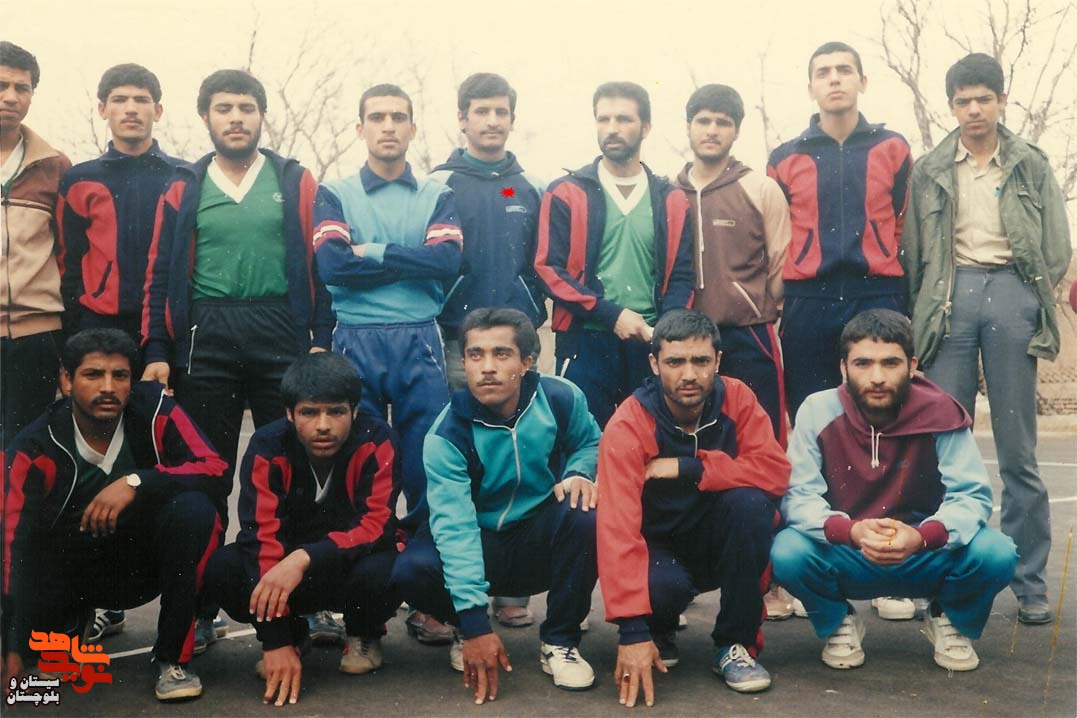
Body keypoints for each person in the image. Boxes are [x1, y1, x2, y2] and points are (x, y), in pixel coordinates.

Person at [141, 68, 335, 646]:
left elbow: (321, 266)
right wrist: (157, 350)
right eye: (224, 108)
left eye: (246, 108)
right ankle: (201, 609)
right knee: (207, 477)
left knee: (292, 471)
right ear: (205, 116)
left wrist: (320, 335)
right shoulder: (183, 185)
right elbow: (158, 275)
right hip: (207, 338)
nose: (236, 118)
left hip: (280, 331)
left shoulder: (294, 180)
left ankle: (308, 600)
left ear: (261, 116)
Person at [902, 53, 1072, 626]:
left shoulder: (1029, 162)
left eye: (983, 99)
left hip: (1011, 290)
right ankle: (939, 578)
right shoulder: (930, 168)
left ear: (1001, 100)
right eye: (963, 101)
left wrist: (1027, 295)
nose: (973, 109)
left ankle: (1029, 583)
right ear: (951, 106)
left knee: (1018, 448)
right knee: (941, 441)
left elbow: (1055, 246)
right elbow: (915, 253)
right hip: (950, 295)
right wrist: (925, 310)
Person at [771, 309, 1017, 672]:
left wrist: (922, 536)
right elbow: (797, 496)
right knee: (787, 551)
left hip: (924, 552)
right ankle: (838, 620)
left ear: (912, 366)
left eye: (890, 363)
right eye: (863, 363)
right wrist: (851, 531)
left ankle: (948, 615)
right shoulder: (818, 410)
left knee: (997, 552)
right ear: (843, 368)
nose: (877, 377)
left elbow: (972, 496)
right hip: (850, 550)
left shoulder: (940, 411)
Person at [1, 329, 227, 701]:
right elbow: (13, 543)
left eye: (119, 375)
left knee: (195, 511)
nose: (108, 387)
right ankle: (68, 623)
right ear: (66, 380)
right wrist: (12, 643)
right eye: (93, 374)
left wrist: (137, 481)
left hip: (146, 563)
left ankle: (173, 658)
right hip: (75, 567)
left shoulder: (154, 409)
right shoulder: (35, 444)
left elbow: (214, 468)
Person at [313, 83, 462, 643]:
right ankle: (363, 614)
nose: (389, 126)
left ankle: (428, 602)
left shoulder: (437, 193)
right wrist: (409, 260)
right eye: (377, 117)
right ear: (360, 128)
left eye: (399, 117)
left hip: (419, 338)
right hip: (356, 339)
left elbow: (446, 261)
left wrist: (371, 251)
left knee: (428, 469)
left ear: (413, 128)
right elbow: (333, 266)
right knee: (362, 472)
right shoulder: (335, 191)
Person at [392, 308, 602, 702]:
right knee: (411, 569)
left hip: (535, 538)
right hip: (479, 540)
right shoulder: (445, 435)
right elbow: (456, 529)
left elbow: (589, 441)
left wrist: (579, 472)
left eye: (501, 354)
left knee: (585, 511)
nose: (487, 367)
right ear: (465, 361)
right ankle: (461, 627)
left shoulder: (560, 397)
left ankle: (560, 641)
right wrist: (475, 625)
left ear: (526, 362)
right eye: (476, 355)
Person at [597, 309, 790, 706]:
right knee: (661, 587)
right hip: (657, 550)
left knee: (752, 505)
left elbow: (775, 473)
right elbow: (617, 527)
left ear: (718, 361)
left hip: (715, 542)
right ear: (654, 364)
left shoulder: (737, 397)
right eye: (675, 362)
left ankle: (736, 644)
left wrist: (692, 468)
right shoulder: (629, 422)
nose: (689, 374)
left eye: (700, 361)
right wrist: (632, 631)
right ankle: (657, 628)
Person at [203, 352, 402, 707]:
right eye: (309, 412)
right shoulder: (268, 445)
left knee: (389, 565)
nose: (323, 425)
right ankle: (293, 636)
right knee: (225, 567)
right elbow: (261, 536)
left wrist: (305, 557)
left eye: (336, 412)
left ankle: (364, 632)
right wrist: (275, 640)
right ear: (289, 413)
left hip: (346, 567)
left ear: (355, 411)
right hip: (289, 576)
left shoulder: (377, 438)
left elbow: (376, 525)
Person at [429, 72, 546, 629]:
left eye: (501, 111)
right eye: (481, 111)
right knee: (463, 457)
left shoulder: (530, 187)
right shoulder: (440, 184)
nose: (492, 121)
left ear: (512, 119)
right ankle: (452, 595)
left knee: (519, 455)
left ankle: (512, 587)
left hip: (517, 343)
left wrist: (533, 309)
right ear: (462, 118)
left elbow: (542, 261)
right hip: (460, 340)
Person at [535, 81, 694, 428]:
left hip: (650, 342)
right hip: (586, 340)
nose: (612, 128)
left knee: (651, 442)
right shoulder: (566, 192)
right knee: (586, 444)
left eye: (623, 119)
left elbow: (682, 275)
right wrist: (610, 314)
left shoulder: (671, 198)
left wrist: (666, 329)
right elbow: (548, 269)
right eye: (603, 119)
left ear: (646, 127)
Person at [767, 41, 911, 424]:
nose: (834, 80)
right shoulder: (785, 158)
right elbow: (779, 233)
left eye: (844, 70)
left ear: (862, 81)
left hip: (877, 295)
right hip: (809, 301)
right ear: (810, 87)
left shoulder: (892, 147)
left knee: (884, 412)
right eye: (823, 73)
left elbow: (902, 220)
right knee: (812, 414)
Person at [58, 63, 182, 344]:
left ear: (158, 111)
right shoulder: (79, 179)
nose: (131, 109)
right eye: (120, 100)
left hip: (168, 320)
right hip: (99, 324)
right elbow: (67, 262)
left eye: (141, 100)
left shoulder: (183, 176)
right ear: (103, 109)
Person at [0, 41, 71, 450]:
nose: (11, 97)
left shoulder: (54, 166)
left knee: (26, 452)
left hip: (37, 335)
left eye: (21, 88)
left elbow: (68, 255)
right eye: (2, 85)